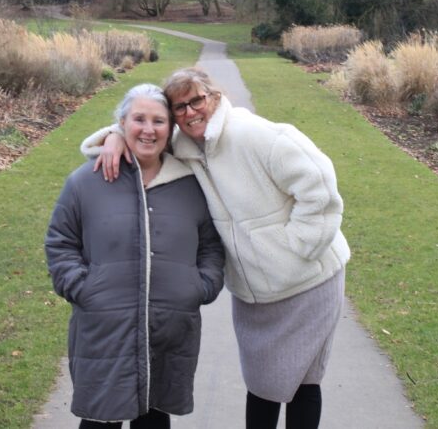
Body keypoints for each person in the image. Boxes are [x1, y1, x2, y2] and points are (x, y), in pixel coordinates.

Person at [82, 68, 350, 429]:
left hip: (308, 281)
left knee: (303, 380)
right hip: (255, 292)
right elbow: (146, 133)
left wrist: (296, 247)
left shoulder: (252, 133)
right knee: (262, 383)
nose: (191, 112)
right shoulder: (188, 145)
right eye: (180, 107)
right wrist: (117, 136)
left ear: (215, 97)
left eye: (197, 100)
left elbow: (319, 183)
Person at [46, 83, 225, 429]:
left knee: (155, 416)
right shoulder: (87, 181)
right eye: (138, 119)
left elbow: (211, 245)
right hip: (105, 327)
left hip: (169, 329)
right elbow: (61, 241)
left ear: (170, 129)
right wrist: (83, 288)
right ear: (121, 124)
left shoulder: (190, 185)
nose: (148, 129)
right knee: (101, 417)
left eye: (158, 121)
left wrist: (200, 286)